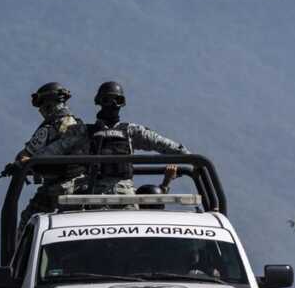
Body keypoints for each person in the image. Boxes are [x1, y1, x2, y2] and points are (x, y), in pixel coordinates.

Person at [34, 82, 189, 196]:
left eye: (117, 100)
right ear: (99, 102)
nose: (112, 105)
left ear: (122, 103)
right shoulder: (83, 131)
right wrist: (32, 161)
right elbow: (54, 150)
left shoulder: (131, 131)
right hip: (93, 195)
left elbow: (163, 144)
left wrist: (189, 158)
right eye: (107, 100)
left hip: (125, 194)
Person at [15, 82, 84, 230]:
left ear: (49, 104)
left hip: (58, 187)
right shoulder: (76, 125)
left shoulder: (52, 127)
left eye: (42, 105)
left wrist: (24, 163)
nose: (41, 110)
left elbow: (26, 154)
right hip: (76, 185)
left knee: (28, 224)